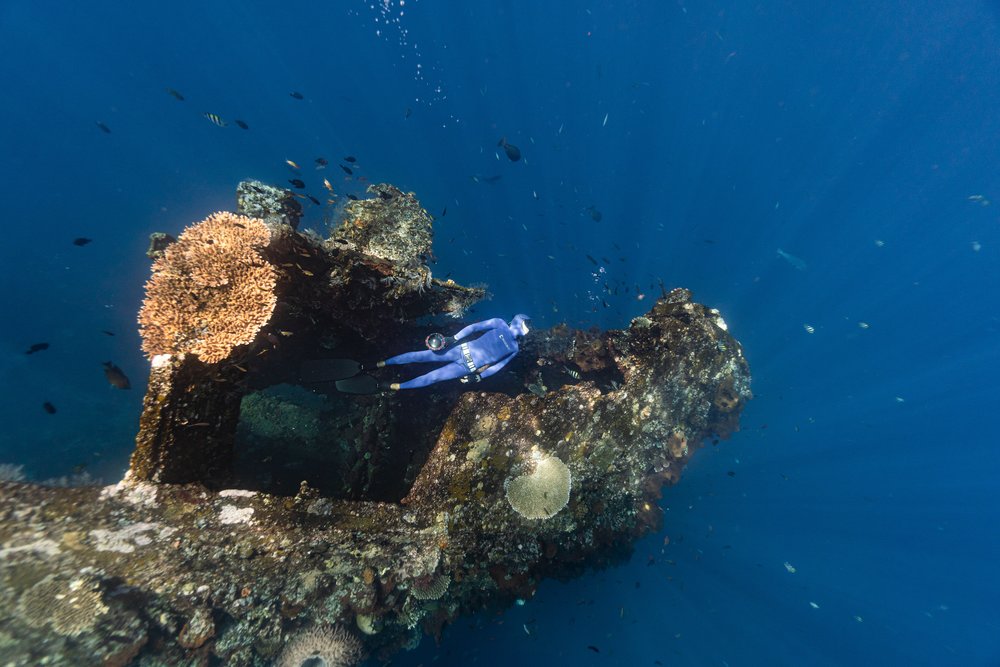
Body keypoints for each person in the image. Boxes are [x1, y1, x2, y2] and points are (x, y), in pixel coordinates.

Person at [305, 315, 531, 394]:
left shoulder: (514, 348)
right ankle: (376, 365)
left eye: (524, 327)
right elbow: (474, 328)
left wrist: (478, 377)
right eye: (524, 324)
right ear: (516, 320)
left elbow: (497, 367)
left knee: (431, 377)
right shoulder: (499, 324)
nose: (523, 328)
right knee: (417, 356)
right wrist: (453, 339)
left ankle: (387, 385)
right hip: (458, 351)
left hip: (465, 364)